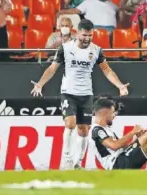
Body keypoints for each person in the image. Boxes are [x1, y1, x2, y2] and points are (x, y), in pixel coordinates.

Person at [31, 19, 130, 170]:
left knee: (84, 129)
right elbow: (52, 69)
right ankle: (67, 159)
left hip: (86, 94)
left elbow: (107, 70)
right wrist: (40, 83)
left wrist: (120, 85)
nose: (87, 39)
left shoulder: (96, 50)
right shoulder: (65, 49)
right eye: (84, 35)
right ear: (77, 33)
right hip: (68, 92)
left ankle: (78, 162)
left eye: (90, 35)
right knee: (70, 124)